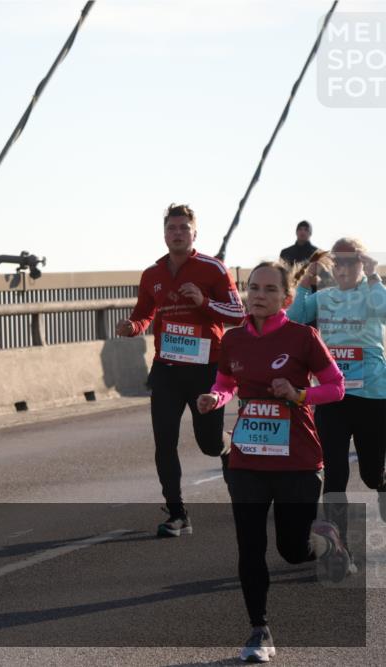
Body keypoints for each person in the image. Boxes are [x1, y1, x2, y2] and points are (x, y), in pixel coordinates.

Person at [196, 261, 349, 663]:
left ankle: (326, 538)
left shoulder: (303, 337)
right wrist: (217, 399)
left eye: (268, 289)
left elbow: (336, 387)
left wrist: (299, 394)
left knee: (293, 550)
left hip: (297, 458)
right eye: (253, 287)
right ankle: (258, 630)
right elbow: (226, 382)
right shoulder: (232, 340)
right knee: (249, 545)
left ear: (287, 297)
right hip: (248, 457)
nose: (259, 295)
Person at [116, 203, 245, 537]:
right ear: (164, 233)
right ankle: (177, 513)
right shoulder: (152, 274)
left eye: (184, 228)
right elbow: (145, 313)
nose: (178, 233)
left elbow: (238, 314)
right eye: (172, 228)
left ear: (194, 233)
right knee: (164, 442)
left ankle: (227, 446)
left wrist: (204, 302)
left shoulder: (213, 269)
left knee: (208, 444)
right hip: (167, 369)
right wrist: (132, 326)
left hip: (205, 370)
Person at [287, 238, 386, 528]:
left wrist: (373, 274)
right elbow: (295, 320)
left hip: (372, 397)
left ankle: (382, 486)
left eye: (351, 260)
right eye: (338, 261)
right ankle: (338, 542)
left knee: (371, 474)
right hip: (333, 397)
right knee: (335, 472)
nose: (343, 267)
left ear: (361, 262)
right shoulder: (323, 297)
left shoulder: (373, 293)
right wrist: (306, 280)